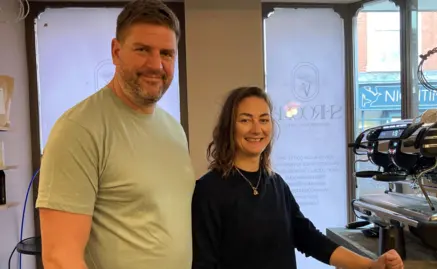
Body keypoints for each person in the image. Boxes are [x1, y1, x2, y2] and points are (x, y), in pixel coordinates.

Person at [36, 1, 196, 269]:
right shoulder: (79, 130)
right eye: (143, 50)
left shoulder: (174, 130)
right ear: (116, 51)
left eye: (167, 54)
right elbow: (60, 258)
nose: (156, 65)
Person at [191, 86, 404, 269]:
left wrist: (370, 265)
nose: (257, 129)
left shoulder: (276, 185)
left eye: (264, 119)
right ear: (230, 127)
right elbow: (203, 263)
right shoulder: (209, 190)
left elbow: (308, 238)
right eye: (245, 120)